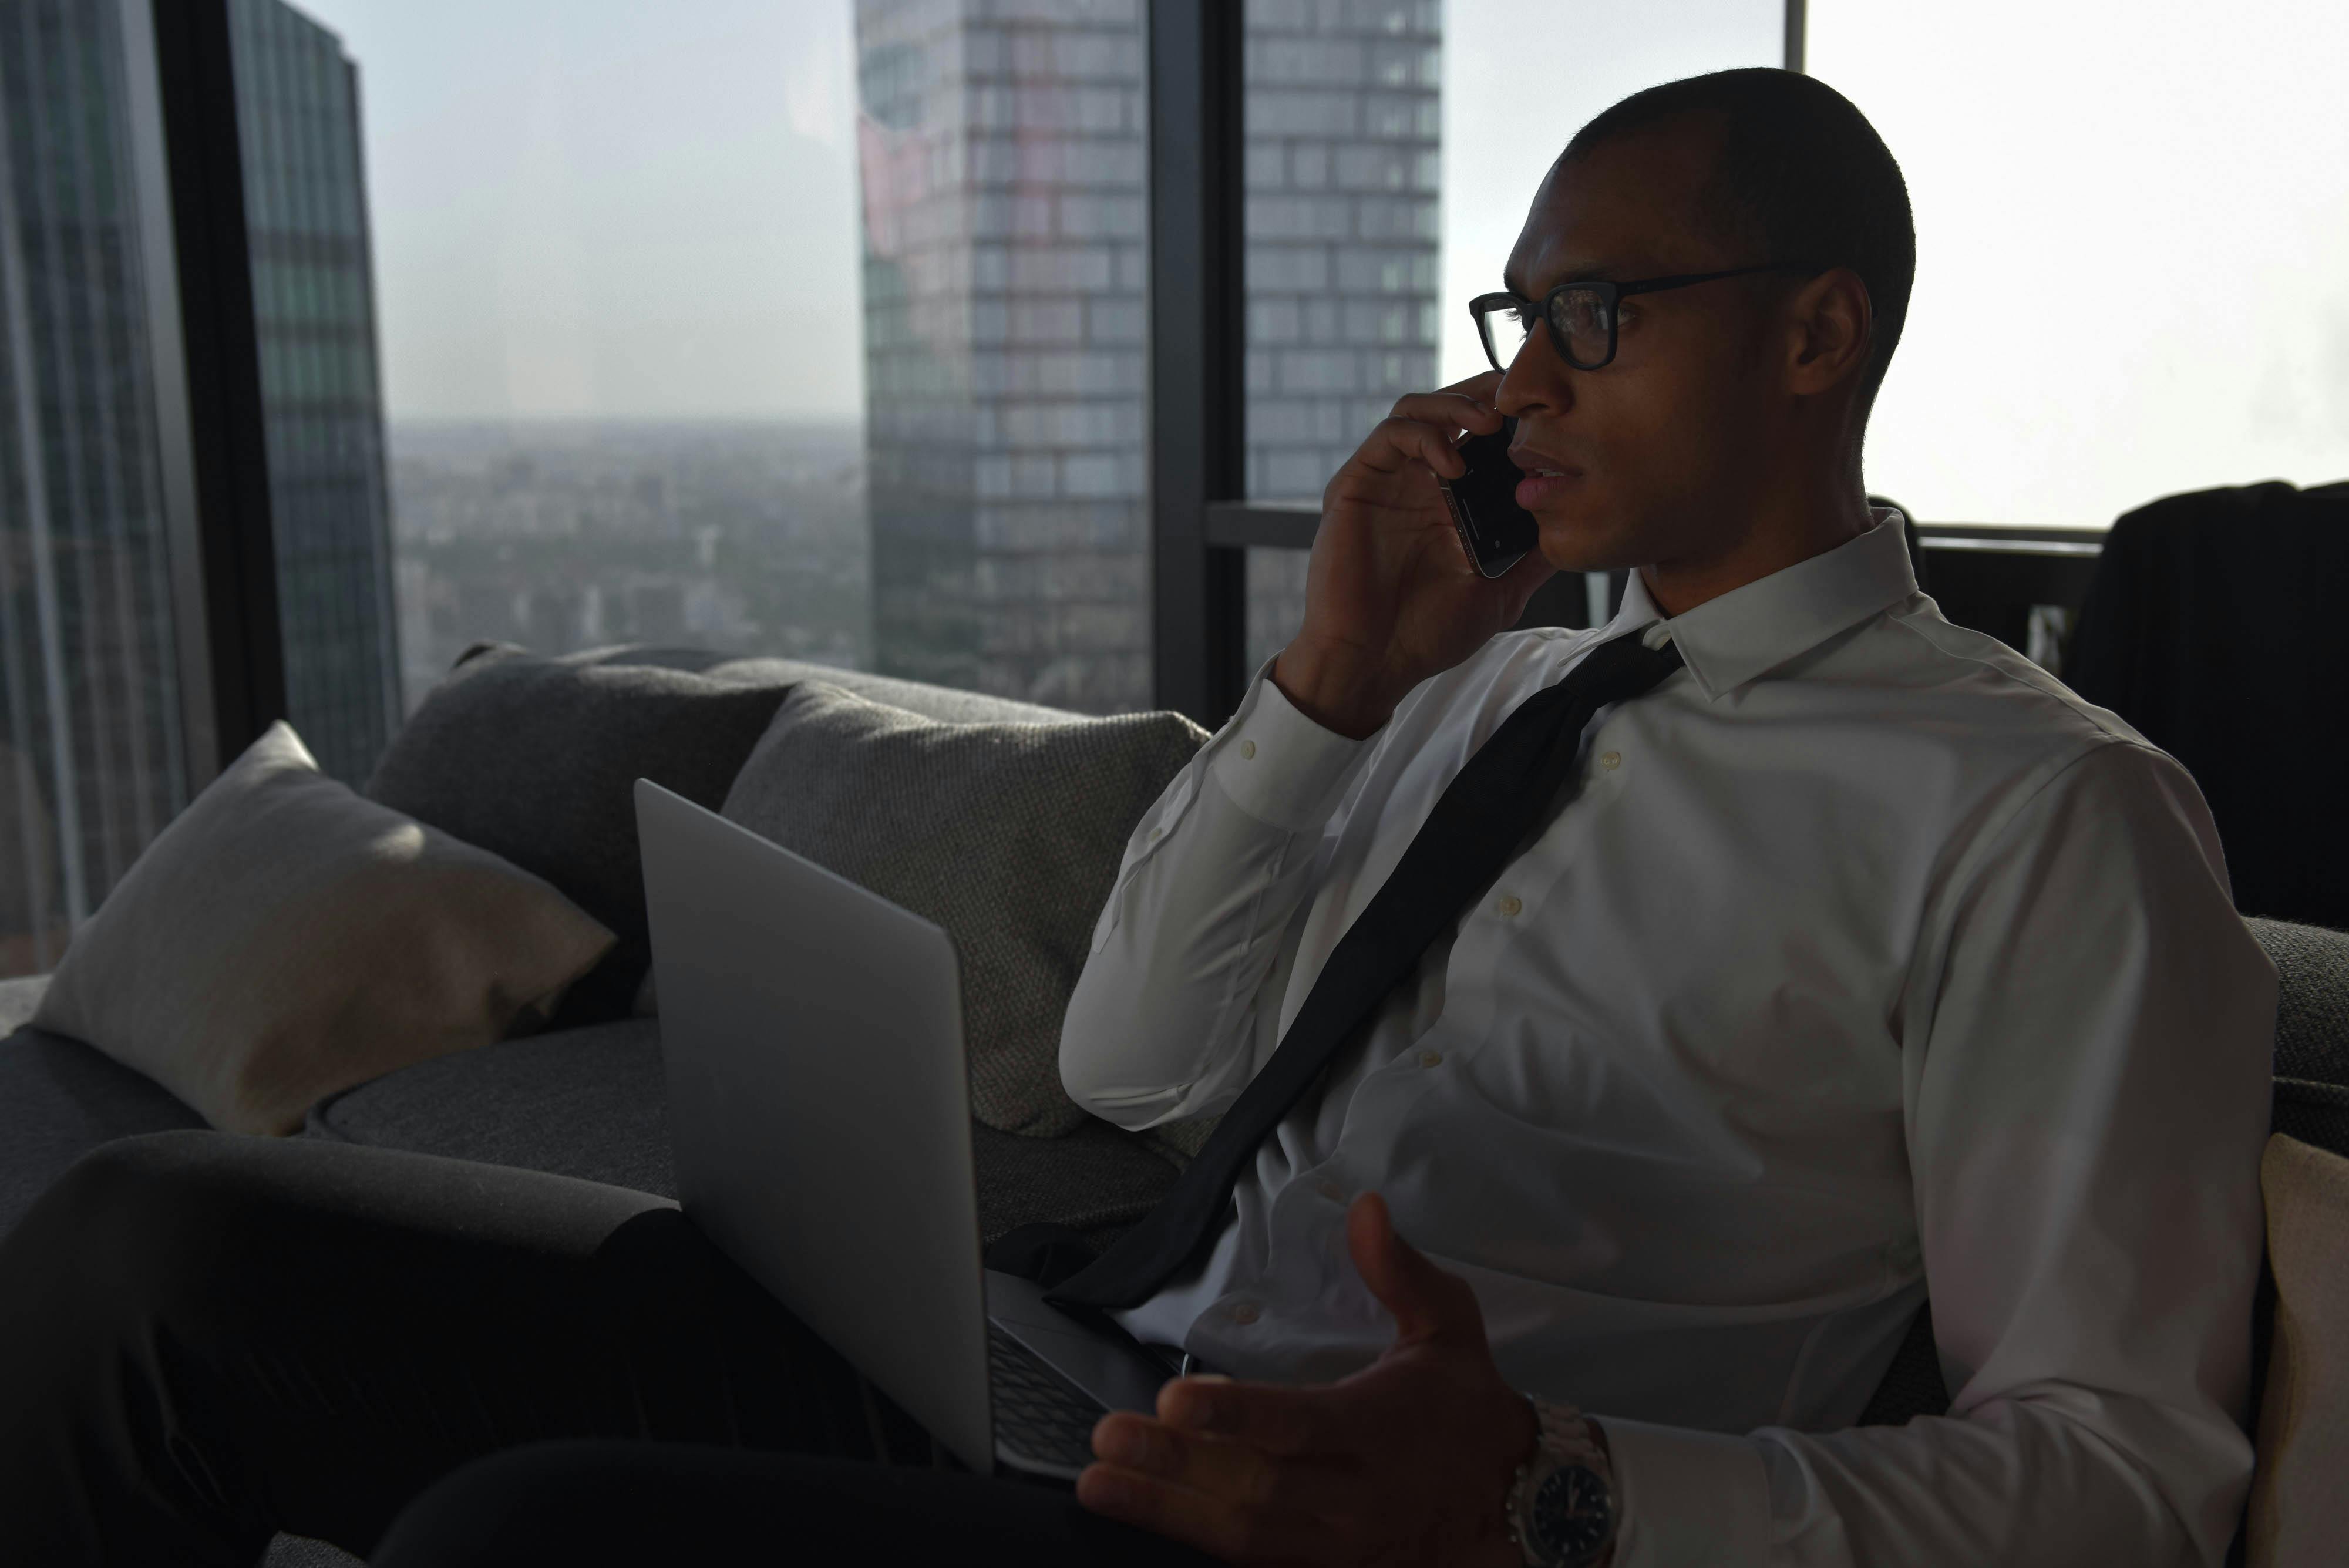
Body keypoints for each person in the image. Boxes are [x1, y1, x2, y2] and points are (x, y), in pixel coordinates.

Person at [0, 68, 2274, 1568]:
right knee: (157, 1237)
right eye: (1513, 313)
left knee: (522, 1530)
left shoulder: (2042, 808)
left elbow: (2133, 1462)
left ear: (1812, 335)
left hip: (1339, 1515)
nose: (1516, 382)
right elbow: (1134, 1073)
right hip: (1067, 1357)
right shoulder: (1477, 685)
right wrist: (1325, 684)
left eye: (1593, 310)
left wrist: (1559, 1496)